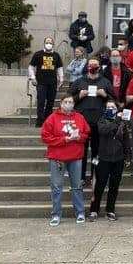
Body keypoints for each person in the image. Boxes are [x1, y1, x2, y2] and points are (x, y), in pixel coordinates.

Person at [41, 94, 90, 226]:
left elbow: (86, 133)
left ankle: (80, 212)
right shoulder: (52, 118)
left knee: (77, 186)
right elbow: (46, 137)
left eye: (71, 102)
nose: (69, 104)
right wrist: (64, 140)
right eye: (66, 102)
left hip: (76, 157)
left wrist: (78, 137)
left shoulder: (79, 117)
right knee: (56, 187)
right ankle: (56, 214)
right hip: (58, 157)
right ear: (61, 103)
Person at [70, 58, 114, 185]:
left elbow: (114, 101)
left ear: (99, 67)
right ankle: (81, 177)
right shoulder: (79, 82)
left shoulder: (105, 82)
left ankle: (96, 176)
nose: (92, 67)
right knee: (81, 152)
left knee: (97, 152)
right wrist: (79, 96)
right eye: (90, 65)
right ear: (87, 66)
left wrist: (105, 95)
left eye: (95, 65)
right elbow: (67, 99)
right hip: (82, 123)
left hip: (99, 124)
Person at [88, 101, 129, 222]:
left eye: (113, 107)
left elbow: (126, 139)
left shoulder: (122, 122)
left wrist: (127, 156)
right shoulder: (101, 121)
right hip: (103, 158)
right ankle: (94, 210)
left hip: (118, 158)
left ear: (117, 109)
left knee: (114, 185)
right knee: (100, 185)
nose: (110, 109)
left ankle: (110, 210)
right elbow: (104, 131)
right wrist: (117, 120)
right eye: (108, 107)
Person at [28, 36, 64, 127]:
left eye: (50, 42)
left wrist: (61, 78)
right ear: (44, 43)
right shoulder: (38, 54)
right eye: (47, 42)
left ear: (53, 44)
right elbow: (31, 67)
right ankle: (39, 121)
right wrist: (33, 78)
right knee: (41, 101)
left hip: (52, 82)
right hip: (41, 82)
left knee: (50, 102)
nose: (49, 44)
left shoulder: (56, 55)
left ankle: (48, 121)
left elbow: (60, 68)